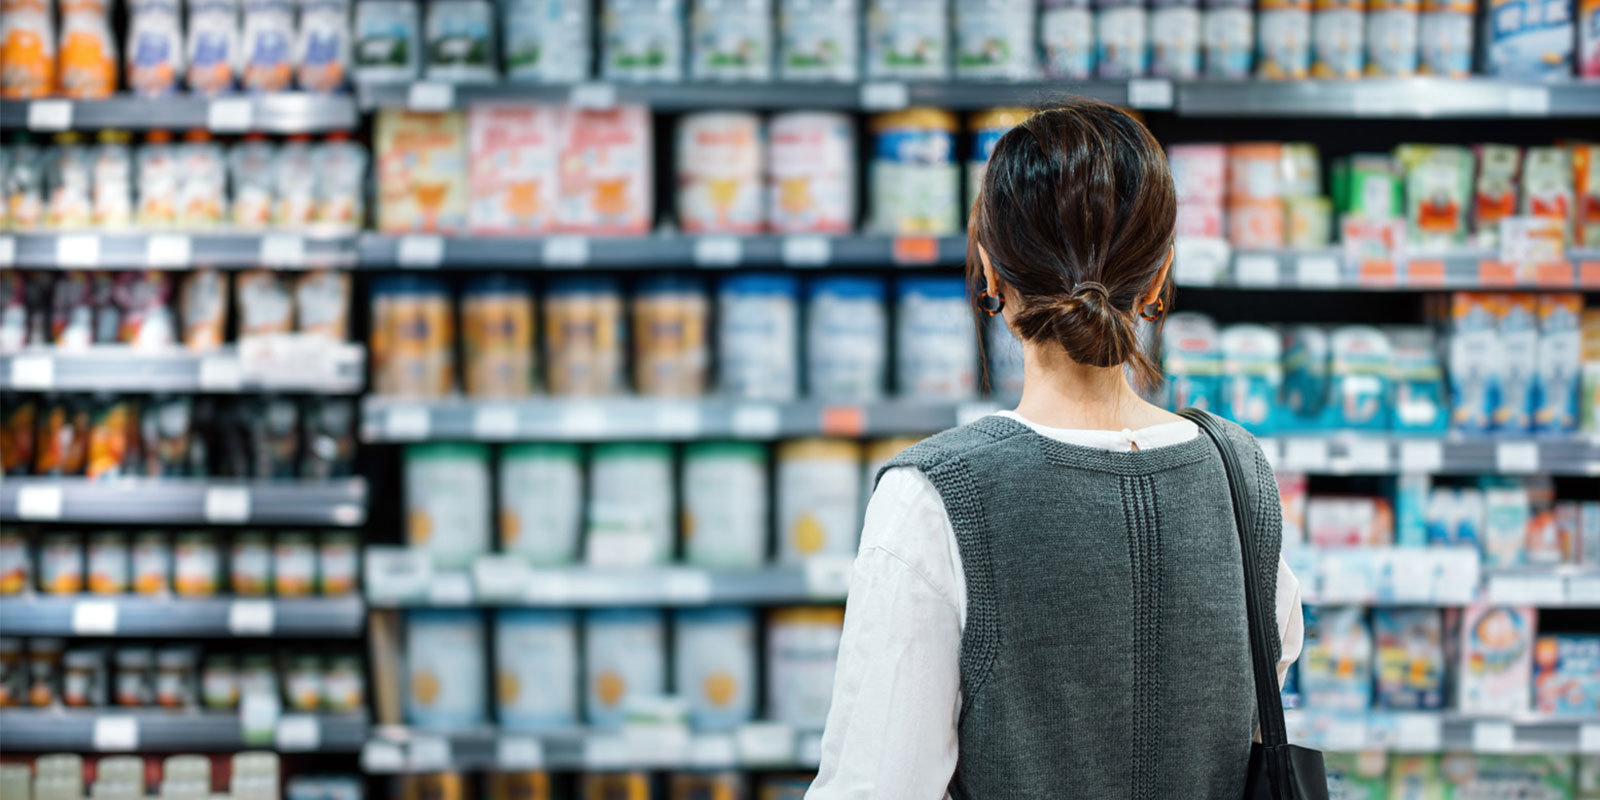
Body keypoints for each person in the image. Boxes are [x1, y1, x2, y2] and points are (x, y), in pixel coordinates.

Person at [806, 99, 1304, 799]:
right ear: (1159, 279)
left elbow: (877, 785)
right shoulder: (1241, 474)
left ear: (990, 275)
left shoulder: (934, 499)